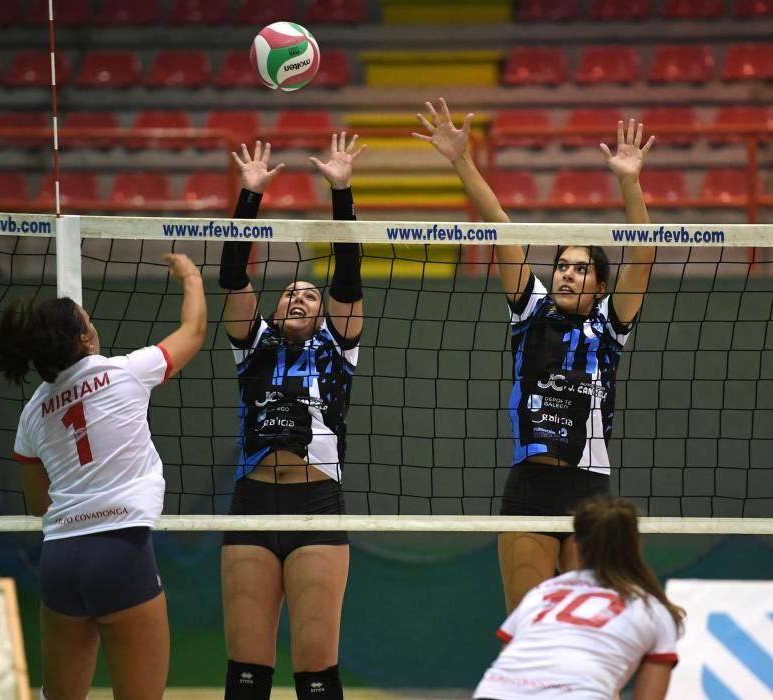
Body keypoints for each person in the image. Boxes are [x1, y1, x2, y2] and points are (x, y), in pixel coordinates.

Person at [415, 99, 657, 613]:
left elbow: (643, 255)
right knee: (525, 629)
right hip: (529, 485)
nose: (567, 273)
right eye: (562, 266)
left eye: (580, 268)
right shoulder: (531, 311)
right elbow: (500, 226)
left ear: (600, 283)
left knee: (583, 635)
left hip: (589, 487)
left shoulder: (610, 326)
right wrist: (461, 159)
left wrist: (628, 182)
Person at [0, 253, 206, 700]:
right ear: (85, 336)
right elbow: (193, 332)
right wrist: (192, 275)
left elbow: (40, 505)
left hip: (61, 560)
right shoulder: (125, 373)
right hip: (119, 551)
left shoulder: (31, 416)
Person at [218, 134, 366, 700]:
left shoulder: (339, 346)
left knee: (315, 670)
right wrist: (249, 197)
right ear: (275, 310)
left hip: (316, 507)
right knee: (248, 673)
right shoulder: (251, 346)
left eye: (310, 293)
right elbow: (233, 278)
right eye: (289, 295)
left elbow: (348, 276)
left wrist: (341, 190)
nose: (300, 298)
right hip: (251, 505)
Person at [473, 495, 685, 700]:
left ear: (577, 546)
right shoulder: (653, 610)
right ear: (636, 545)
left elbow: (510, 660)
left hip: (494, 693)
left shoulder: (542, 594)